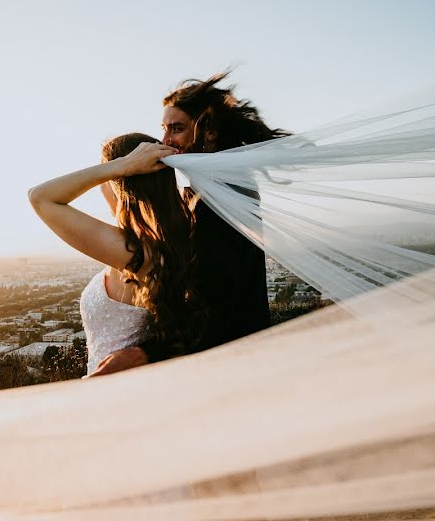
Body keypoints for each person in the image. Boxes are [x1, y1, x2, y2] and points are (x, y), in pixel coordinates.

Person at [91, 71, 290, 375]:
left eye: (177, 129)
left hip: (232, 364)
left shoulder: (217, 202)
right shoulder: (211, 191)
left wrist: (144, 353)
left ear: (209, 132)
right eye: (163, 128)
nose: (166, 140)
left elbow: (219, 310)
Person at [28, 134, 202, 375]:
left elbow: (40, 197)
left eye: (107, 176)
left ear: (121, 181)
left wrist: (120, 166)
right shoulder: (158, 246)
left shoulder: (138, 252)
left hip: (115, 388)